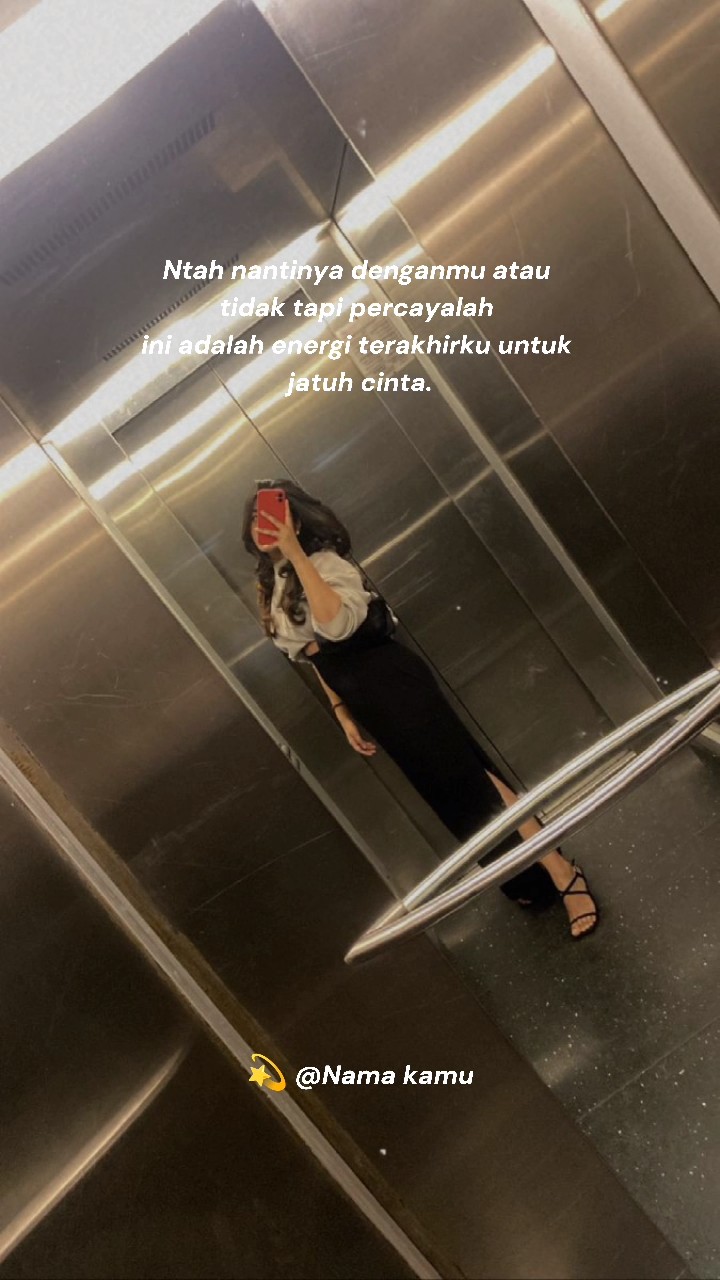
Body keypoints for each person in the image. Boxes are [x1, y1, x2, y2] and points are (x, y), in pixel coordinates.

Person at [242, 480, 599, 939]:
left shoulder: (323, 563)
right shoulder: (273, 582)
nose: (264, 523)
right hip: (364, 697)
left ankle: (562, 874)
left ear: (295, 518)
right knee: (448, 792)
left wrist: (295, 552)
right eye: (256, 516)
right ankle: (526, 877)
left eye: (274, 513)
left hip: (392, 683)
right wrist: (342, 710)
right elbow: (312, 657)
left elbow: (335, 626)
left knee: (474, 779)